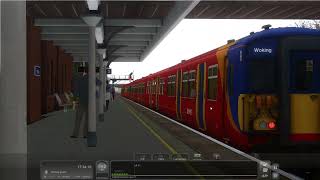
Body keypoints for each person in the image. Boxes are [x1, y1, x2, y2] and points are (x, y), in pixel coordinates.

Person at [71, 72, 88, 138]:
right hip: (88, 102)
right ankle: (85, 134)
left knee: (78, 119)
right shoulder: (91, 78)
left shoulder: (77, 79)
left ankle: (75, 134)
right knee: (87, 119)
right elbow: (99, 83)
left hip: (81, 102)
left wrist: (74, 102)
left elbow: (75, 91)